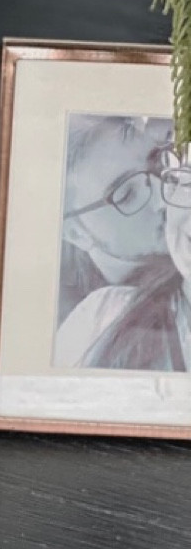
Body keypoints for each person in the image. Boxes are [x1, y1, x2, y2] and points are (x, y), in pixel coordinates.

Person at [54, 150, 191, 372]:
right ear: (76, 234)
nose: (162, 202)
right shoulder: (102, 319)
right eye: (127, 194)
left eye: (159, 165)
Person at [53, 114, 174, 324]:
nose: (165, 197)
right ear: (76, 233)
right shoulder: (85, 330)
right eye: (127, 195)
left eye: (156, 160)